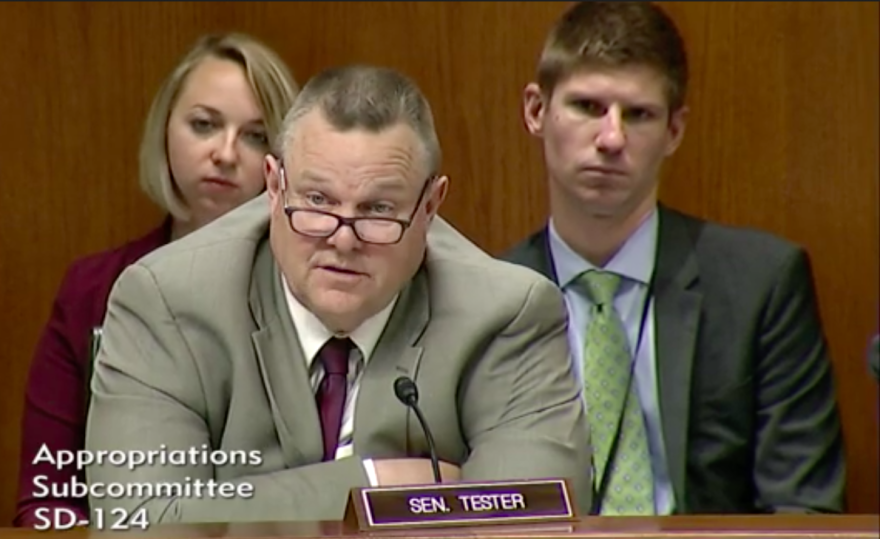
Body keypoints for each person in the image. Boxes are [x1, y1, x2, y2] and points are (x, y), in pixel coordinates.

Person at [84, 64, 593, 524]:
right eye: (317, 200)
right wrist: (370, 485)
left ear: (430, 206)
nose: (342, 240)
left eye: (377, 210)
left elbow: (528, 518)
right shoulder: (167, 301)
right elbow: (139, 520)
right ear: (274, 186)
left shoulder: (506, 314)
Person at [502, 1, 845, 515]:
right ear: (535, 111)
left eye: (639, 114)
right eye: (588, 107)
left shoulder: (762, 286)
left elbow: (803, 511)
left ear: (675, 131)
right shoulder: (488, 301)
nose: (611, 138)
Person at [15, 33, 299, 527]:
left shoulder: (313, 294)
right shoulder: (92, 288)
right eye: (204, 125)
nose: (225, 153)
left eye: (255, 136)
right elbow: (46, 497)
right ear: (165, 129)